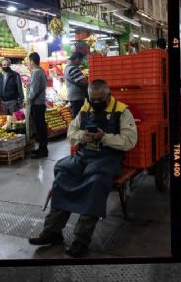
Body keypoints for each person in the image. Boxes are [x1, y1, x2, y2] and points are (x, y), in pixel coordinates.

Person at [28, 79, 137, 257]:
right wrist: (82, 136)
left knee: (95, 184)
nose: (95, 103)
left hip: (107, 160)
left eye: (99, 100)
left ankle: (81, 240)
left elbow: (130, 141)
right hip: (83, 157)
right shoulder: (85, 109)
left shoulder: (122, 111)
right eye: (92, 99)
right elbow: (71, 134)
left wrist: (104, 137)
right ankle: (52, 232)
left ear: (108, 96)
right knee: (62, 176)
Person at [27, 53, 49, 158]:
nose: (28, 63)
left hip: (37, 104)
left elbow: (34, 90)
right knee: (41, 126)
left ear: (32, 61)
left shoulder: (36, 72)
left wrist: (28, 99)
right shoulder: (41, 71)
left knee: (40, 127)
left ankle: (43, 150)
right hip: (41, 103)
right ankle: (42, 148)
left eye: (29, 61)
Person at [64, 52, 89, 119]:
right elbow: (83, 82)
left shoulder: (68, 68)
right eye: (80, 60)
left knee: (77, 117)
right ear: (77, 59)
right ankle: (76, 129)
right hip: (76, 98)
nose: (80, 62)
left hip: (74, 97)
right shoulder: (73, 69)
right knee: (78, 118)